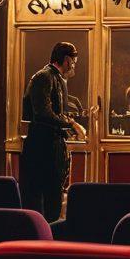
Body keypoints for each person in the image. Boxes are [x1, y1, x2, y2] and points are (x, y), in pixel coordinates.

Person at [21, 42, 86, 221]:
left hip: (50, 147)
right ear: (66, 60)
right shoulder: (44, 77)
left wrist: (68, 124)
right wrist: (71, 125)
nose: (74, 66)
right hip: (41, 148)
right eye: (74, 61)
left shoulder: (55, 78)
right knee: (44, 200)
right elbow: (43, 113)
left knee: (53, 198)